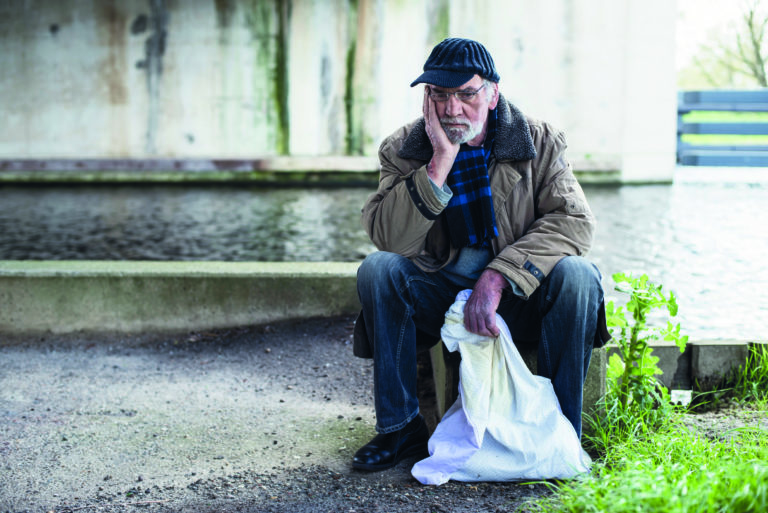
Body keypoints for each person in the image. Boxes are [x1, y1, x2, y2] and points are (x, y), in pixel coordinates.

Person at [351, 38, 610, 472]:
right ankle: (400, 428)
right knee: (378, 270)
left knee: (580, 276)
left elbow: (575, 222)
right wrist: (439, 163)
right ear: (427, 98)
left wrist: (498, 276)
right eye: (440, 95)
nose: (452, 109)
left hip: (517, 296)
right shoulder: (403, 148)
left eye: (466, 94)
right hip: (439, 293)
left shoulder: (539, 141)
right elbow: (389, 239)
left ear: (492, 94)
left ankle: (560, 431)